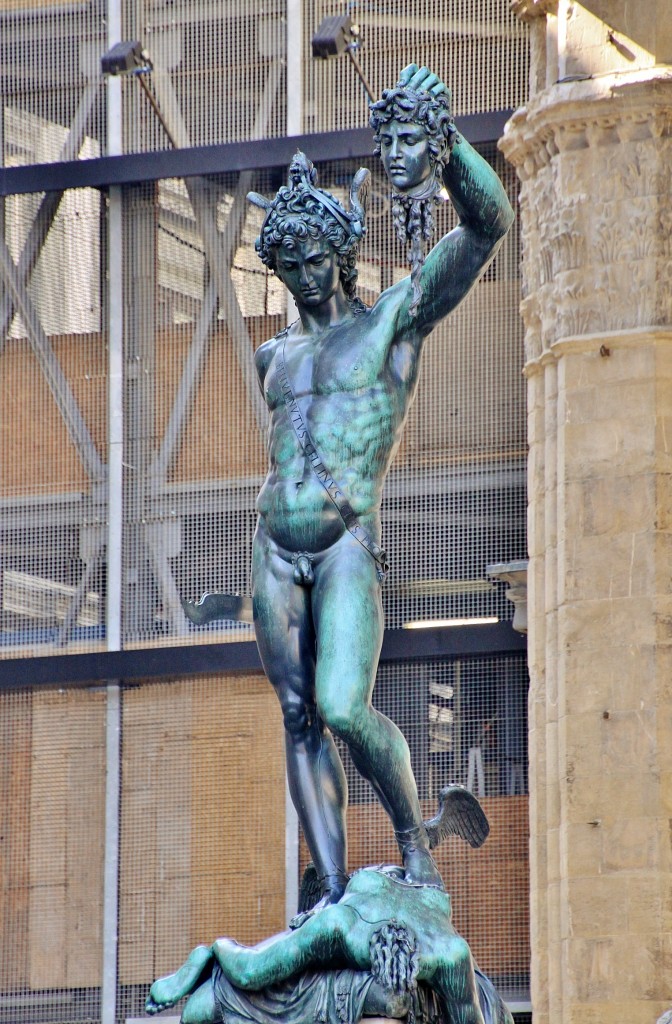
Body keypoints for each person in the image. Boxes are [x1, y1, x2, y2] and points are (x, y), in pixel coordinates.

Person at [244, 64, 513, 914]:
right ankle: (326, 887)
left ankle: (412, 848)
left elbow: (488, 224)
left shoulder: (393, 321)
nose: (303, 278)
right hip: (273, 549)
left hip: (347, 543)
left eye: (315, 260)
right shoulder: (273, 357)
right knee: (297, 717)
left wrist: (443, 147)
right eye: (288, 267)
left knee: (341, 707)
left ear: (342, 256)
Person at [145, 866, 514, 1024]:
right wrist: (221, 952)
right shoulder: (339, 926)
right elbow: (251, 969)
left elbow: (470, 1014)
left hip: (417, 896)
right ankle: (209, 953)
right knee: (248, 972)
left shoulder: (447, 954)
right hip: (359, 897)